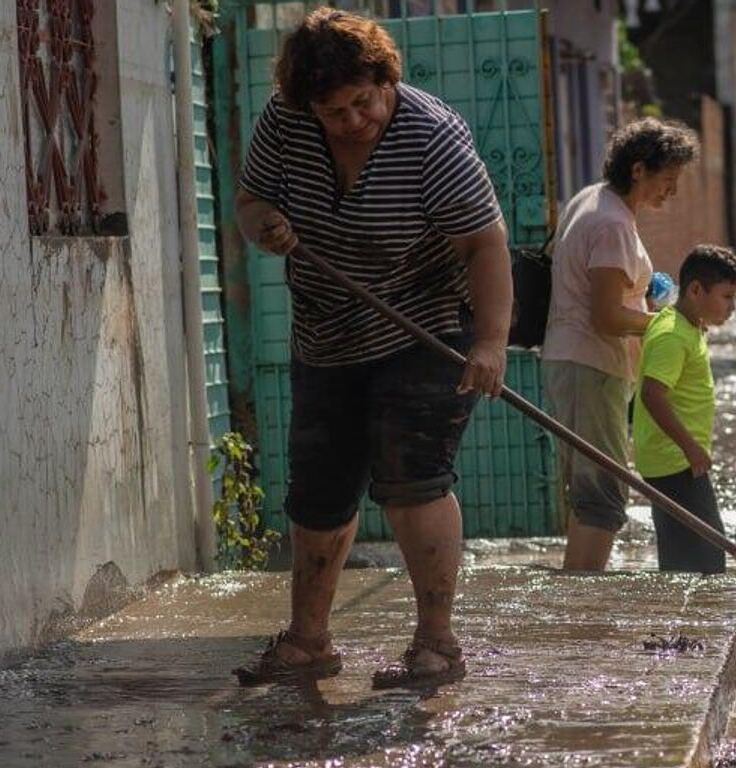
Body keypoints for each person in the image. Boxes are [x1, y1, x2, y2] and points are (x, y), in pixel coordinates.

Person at [229, 8, 511, 690]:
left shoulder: (432, 137)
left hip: (424, 325)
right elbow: (250, 199)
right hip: (326, 334)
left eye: (365, 101)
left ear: (386, 79)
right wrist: (263, 225)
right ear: (307, 106)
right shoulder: (284, 123)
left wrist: (493, 343)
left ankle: (436, 645)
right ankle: (308, 641)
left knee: (413, 481)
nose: (356, 121)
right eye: (336, 112)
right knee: (318, 492)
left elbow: (484, 245)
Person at [543, 118, 700, 570]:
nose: (670, 194)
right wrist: (666, 324)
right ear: (638, 170)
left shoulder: (591, 200)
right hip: (590, 364)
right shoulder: (612, 223)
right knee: (603, 495)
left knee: (590, 491)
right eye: (667, 181)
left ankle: (580, 592)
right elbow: (607, 315)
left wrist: (645, 299)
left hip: (576, 361)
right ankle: (584, 605)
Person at [633, 245, 736, 574]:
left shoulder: (686, 323)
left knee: (690, 552)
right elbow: (652, 394)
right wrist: (690, 447)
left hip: (677, 458)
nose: (733, 308)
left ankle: (684, 621)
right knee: (704, 558)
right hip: (675, 460)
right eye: (727, 297)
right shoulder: (673, 336)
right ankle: (689, 622)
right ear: (696, 290)